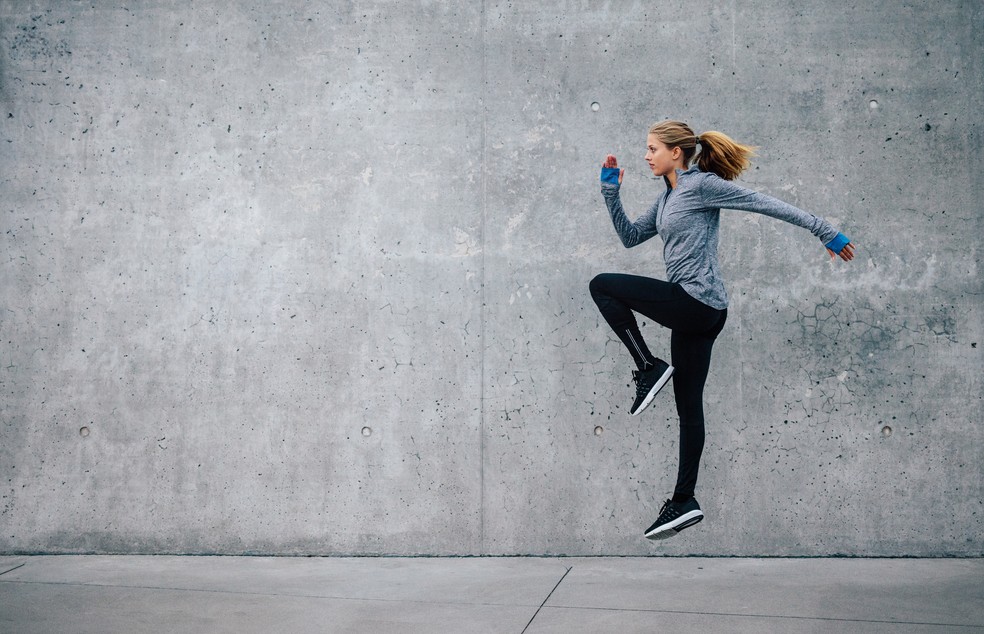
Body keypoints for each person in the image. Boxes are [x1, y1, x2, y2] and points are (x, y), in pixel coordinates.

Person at [590, 120, 855, 540]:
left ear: (676, 152)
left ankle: (648, 367)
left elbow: (763, 202)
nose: (646, 156)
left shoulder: (700, 186)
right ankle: (683, 501)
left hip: (695, 303)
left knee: (602, 285)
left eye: (652, 148)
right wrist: (610, 191)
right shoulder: (668, 199)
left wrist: (827, 231)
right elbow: (629, 237)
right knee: (688, 408)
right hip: (702, 311)